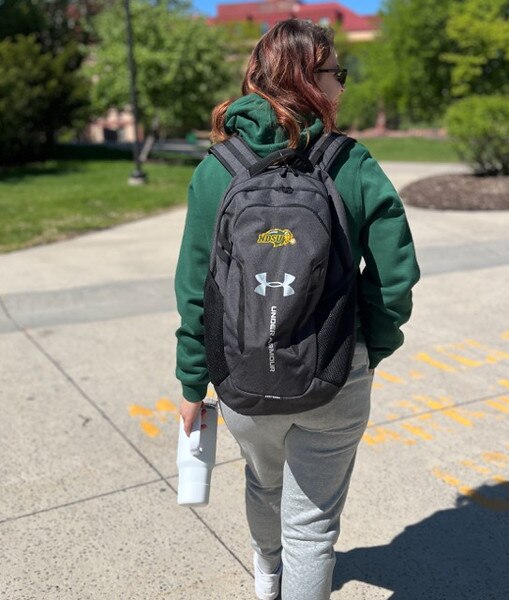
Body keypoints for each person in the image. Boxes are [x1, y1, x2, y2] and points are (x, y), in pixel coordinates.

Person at [175, 18, 420, 600]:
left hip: (241, 371)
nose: (343, 85)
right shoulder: (351, 162)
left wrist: (191, 382)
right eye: (337, 72)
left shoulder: (218, 169)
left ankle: (267, 575)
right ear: (308, 78)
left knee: (264, 484)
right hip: (336, 370)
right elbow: (394, 279)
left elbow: (194, 289)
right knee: (312, 528)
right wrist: (370, 347)